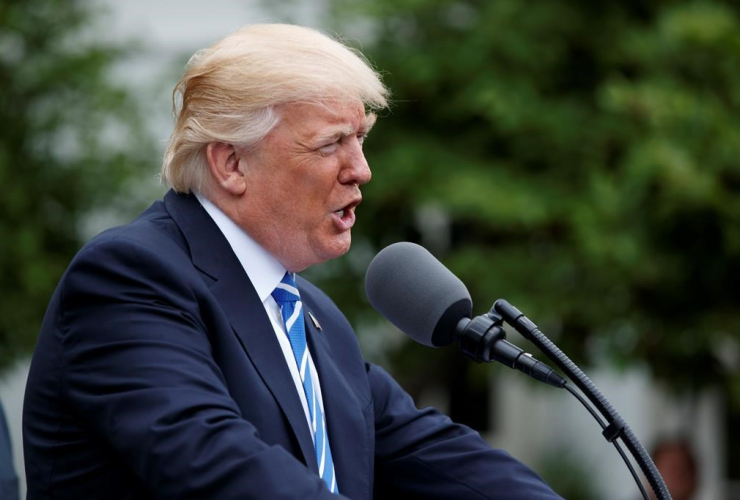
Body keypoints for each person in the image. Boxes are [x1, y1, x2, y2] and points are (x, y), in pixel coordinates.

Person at [23, 24, 562, 499]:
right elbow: (218, 467)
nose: (362, 170)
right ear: (232, 162)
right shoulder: (130, 278)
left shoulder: (309, 314)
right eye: (331, 144)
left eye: (361, 139)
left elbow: (437, 455)